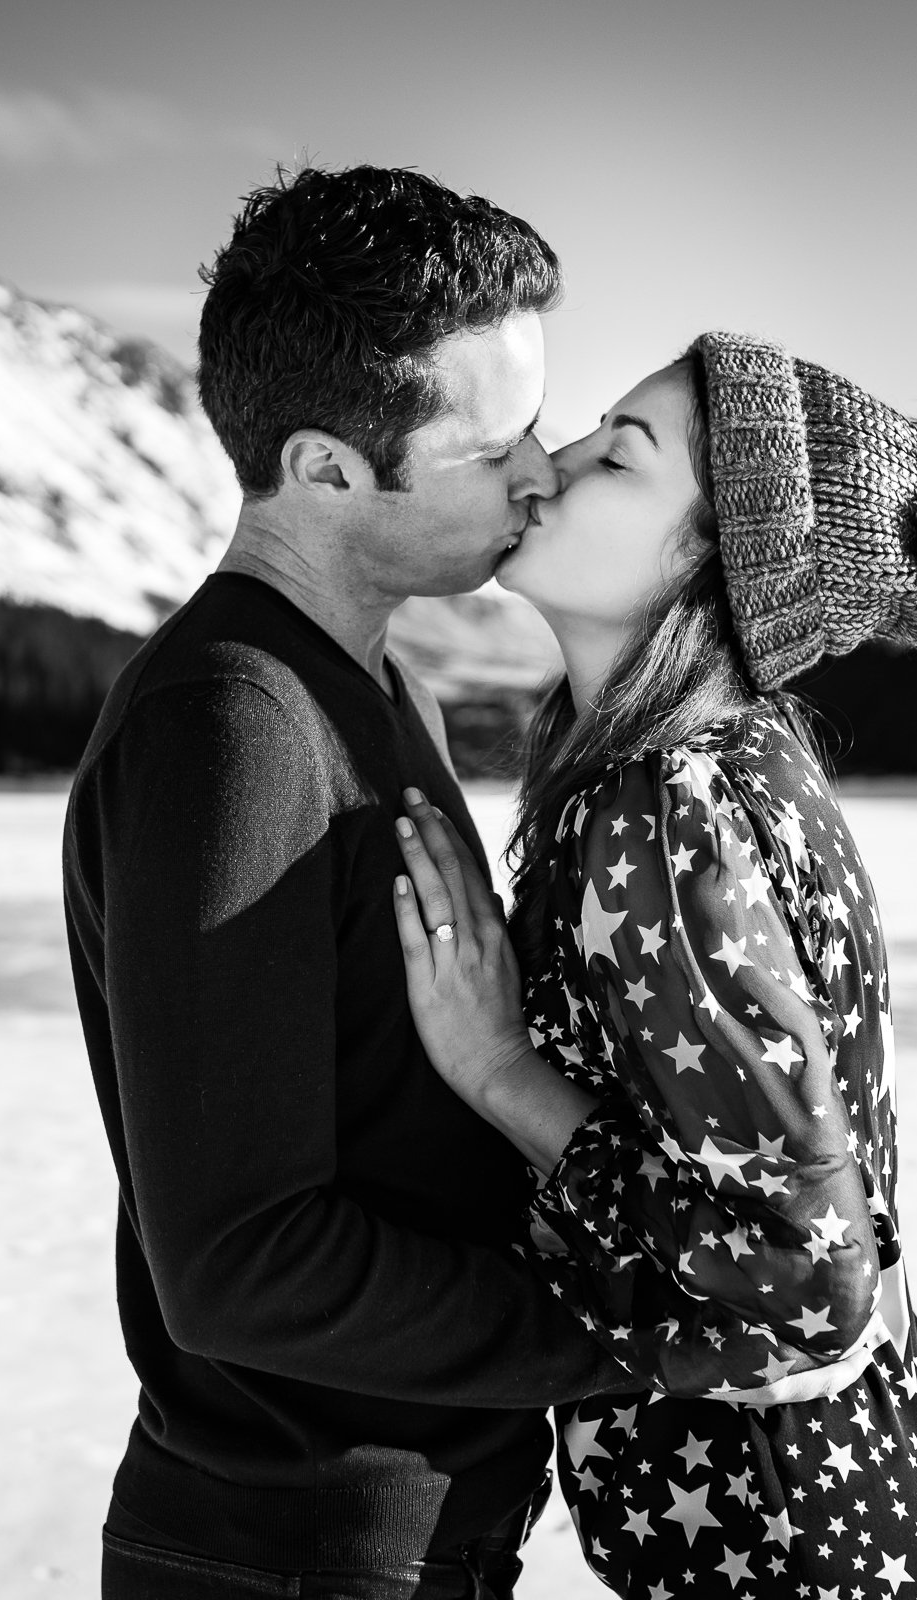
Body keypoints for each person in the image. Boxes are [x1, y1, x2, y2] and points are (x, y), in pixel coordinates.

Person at [387, 333, 917, 1598]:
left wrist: (505, 1072)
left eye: (621, 456)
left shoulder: (669, 807)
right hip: (854, 1519)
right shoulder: (731, 766)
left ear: (722, 566)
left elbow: (801, 1277)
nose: (548, 468)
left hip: (800, 1552)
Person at [61, 166, 637, 1599]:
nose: (542, 473)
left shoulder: (377, 691)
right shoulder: (234, 725)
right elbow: (243, 1262)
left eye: (543, 427)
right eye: (493, 444)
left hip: (402, 1539)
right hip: (294, 1555)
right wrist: (619, 1323)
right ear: (326, 467)